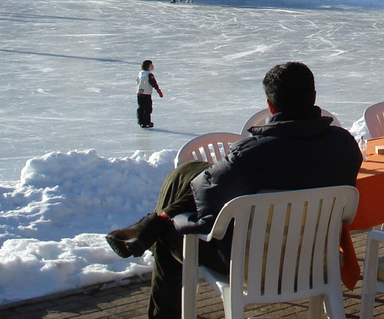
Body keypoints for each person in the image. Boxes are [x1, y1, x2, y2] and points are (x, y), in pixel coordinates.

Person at [105, 61, 362, 319]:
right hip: (315, 262)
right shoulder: (345, 146)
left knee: (167, 232)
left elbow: (205, 206)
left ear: (270, 105)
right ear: (314, 97)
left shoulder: (249, 157)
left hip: (251, 266)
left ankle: (154, 229)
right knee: (191, 172)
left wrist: (174, 220)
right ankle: (154, 222)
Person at [137, 59, 163, 128]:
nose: (153, 66)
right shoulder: (149, 74)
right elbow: (153, 83)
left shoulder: (140, 73)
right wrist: (158, 90)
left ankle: (141, 121)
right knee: (147, 109)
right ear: (148, 67)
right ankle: (146, 122)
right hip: (147, 94)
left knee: (141, 108)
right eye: (151, 65)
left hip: (139, 93)